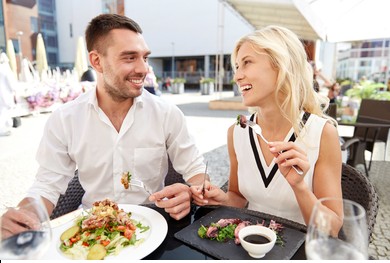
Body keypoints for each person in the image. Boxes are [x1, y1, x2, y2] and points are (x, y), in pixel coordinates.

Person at [2, 14, 208, 237]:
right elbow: (46, 186)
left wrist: (190, 192)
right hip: (94, 233)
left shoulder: (167, 113)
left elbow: (198, 173)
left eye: (145, 58)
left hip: (155, 229)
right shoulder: (65, 119)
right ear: (96, 61)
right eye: (130, 58)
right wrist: (25, 214)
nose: (143, 69)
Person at [191, 26, 342, 226]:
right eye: (237, 67)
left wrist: (300, 187)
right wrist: (222, 198)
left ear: (282, 66)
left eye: (247, 63)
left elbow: (332, 227)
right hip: (247, 244)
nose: (236, 76)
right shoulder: (237, 132)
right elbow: (238, 196)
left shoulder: (322, 133)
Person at [0, 52, 17, 136]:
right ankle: (3, 128)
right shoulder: (6, 69)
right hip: (6, 93)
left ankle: (8, 126)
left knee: (3, 111)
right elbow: (11, 82)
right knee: (5, 111)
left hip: (2, 94)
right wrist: (14, 90)